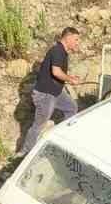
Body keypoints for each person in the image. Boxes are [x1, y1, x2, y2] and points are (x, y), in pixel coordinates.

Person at [21, 26, 82, 154]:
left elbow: (57, 72)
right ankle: (26, 152)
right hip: (45, 95)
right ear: (68, 37)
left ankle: (63, 139)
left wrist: (69, 77)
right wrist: (70, 80)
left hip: (56, 92)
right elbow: (56, 72)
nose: (78, 43)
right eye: (76, 40)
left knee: (71, 108)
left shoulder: (62, 52)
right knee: (39, 124)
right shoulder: (57, 50)